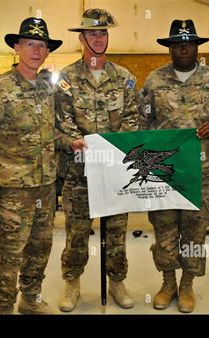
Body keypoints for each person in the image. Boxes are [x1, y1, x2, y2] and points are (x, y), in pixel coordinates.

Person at [0, 17, 64, 314]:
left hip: (45, 186)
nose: (36, 51)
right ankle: (4, 307)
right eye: (29, 44)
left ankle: (31, 298)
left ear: (47, 51)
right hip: (10, 189)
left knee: (40, 247)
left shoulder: (49, 90)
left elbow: (53, 131)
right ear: (16, 47)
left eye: (41, 45)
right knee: (9, 253)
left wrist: (72, 142)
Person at [139, 19, 209, 313]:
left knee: (194, 233)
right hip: (164, 172)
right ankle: (168, 282)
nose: (183, 48)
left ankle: (188, 284)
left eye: (188, 43)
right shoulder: (154, 81)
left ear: (196, 47)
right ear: (170, 48)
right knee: (164, 233)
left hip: (199, 172)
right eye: (177, 43)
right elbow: (142, 122)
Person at [55, 8, 139, 312]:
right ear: (82, 38)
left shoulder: (124, 78)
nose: (99, 38)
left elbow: (134, 118)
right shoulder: (66, 79)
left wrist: (114, 149)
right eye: (92, 33)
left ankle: (117, 281)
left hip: (116, 173)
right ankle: (72, 281)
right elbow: (61, 123)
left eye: (103, 33)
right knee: (77, 233)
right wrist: (76, 142)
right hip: (80, 174)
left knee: (116, 233)